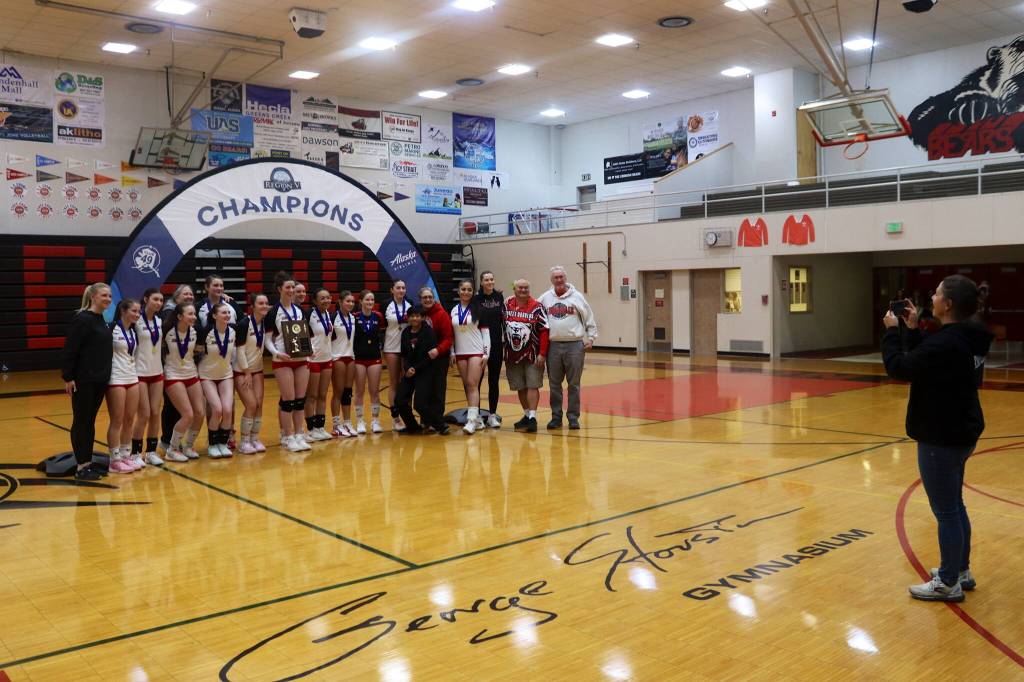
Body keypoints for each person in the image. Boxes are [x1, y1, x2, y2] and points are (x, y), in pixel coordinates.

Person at [882, 274, 994, 602]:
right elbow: (926, 365)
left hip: (940, 435)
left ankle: (948, 581)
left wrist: (892, 333)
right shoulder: (965, 338)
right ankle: (960, 570)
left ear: (947, 305)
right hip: (961, 429)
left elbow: (900, 368)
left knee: (946, 510)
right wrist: (914, 328)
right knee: (954, 506)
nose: (931, 296)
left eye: (936, 293)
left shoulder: (947, 343)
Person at [62, 283, 113, 480]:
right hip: (84, 379)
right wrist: (68, 377)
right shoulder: (82, 319)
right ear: (93, 297)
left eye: (109, 296)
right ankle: (81, 466)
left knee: (90, 421)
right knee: (81, 421)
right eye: (104, 295)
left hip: (100, 378)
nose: (108, 299)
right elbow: (70, 349)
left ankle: (88, 462)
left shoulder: (102, 319)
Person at [538, 265, 598, 430]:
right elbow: (535, 316)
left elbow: (589, 317)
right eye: (555, 277)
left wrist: (591, 337)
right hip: (553, 346)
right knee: (554, 384)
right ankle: (556, 417)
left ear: (565, 278)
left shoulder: (577, 297)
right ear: (551, 280)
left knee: (574, 384)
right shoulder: (545, 298)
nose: (559, 280)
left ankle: (573, 418)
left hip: (575, 345)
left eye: (561, 277)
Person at [266, 272, 312, 453]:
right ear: (280, 290)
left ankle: (299, 434)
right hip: (282, 360)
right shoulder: (273, 312)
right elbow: (268, 340)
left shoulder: (299, 311)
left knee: (300, 400)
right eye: (288, 287)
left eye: (293, 287)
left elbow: (303, 334)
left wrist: (310, 350)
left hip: (301, 359)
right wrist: (277, 353)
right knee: (288, 400)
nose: (292, 290)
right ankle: (287, 436)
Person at [503, 279, 549, 433]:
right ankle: (527, 415)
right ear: (514, 289)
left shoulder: (537, 307)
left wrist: (542, 353)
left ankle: (533, 417)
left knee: (532, 384)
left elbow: (544, 331)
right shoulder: (506, 305)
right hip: (512, 354)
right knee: (520, 386)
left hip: (533, 355)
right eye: (520, 288)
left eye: (526, 288)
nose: (523, 290)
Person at [162, 302, 205, 462]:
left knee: (200, 413)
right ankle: (172, 450)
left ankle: (188, 446)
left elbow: (198, 352)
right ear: (180, 316)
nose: (194, 317)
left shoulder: (195, 332)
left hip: (191, 373)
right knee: (187, 415)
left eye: (194, 314)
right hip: (173, 375)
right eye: (190, 314)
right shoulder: (166, 331)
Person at [107, 298, 143, 473]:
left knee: (130, 418)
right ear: (123, 310)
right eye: (134, 311)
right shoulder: (111, 328)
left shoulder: (133, 331)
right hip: (116, 378)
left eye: (139, 311)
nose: (137, 314)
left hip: (132, 377)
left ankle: (125, 455)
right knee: (117, 420)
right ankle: (114, 460)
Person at [159, 284, 195, 453]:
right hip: (171, 371)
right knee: (172, 408)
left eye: (191, 294)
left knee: (190, 411)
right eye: (185, 294)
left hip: (189, 370)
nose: (189, 296)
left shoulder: (193, 327)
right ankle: (168, 443)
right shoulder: (167, 321)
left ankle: (183, 444)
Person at [198, 302, 237, 458]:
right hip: (207, 376)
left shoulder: (233, 331)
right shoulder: (205, 332)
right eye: (223, 312)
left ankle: (222, 443)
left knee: (227, 410)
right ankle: (212, 444)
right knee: (217, 409)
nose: (227, 315)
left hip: (226, 374)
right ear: (214, 315)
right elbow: (196, 354)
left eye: (228, 312)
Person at [451, 279, 489, 434]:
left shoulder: (478, 309)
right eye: (463, 289)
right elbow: (452, 334)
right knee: (467, 385)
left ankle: (472, 420)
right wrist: (452, 351)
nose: (466, 292)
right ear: (459, 291)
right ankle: (478, 419)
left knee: (473, 384)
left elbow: (486, 333)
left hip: (476, 351)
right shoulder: (453, 310)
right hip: (460, 352)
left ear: (473, 292)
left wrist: (486, 353)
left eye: (469, 290)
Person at [133, 288, 165, 466]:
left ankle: (151, 451)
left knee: (155, 413)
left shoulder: (160, 321)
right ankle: (135, 453)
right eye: (155, 299)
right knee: (143, 414)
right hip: (140, 373)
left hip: (157, 372)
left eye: (161, 300)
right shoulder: (136, 321)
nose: (159, 303)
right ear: (146, 299)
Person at [234, 293, 269, 454]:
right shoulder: (244, 323)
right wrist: (246, 371)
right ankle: (244, 442)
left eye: (266, 303)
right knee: (251, 404)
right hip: (242, 370)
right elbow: (239, 351)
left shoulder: (264, 323)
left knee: (260, 404)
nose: (264, 306)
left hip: (258, 369)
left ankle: (255, 439)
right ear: (253, 306)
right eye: (260, 303)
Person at [394, 305, 437, 434]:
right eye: (412, 316)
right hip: (409, 372)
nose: (415, 318)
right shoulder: (405, 333)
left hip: (424, 371)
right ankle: (413, 427)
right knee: (400, 400)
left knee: (419, 404)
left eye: (418, 316)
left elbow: (430, 356)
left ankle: (438, 423)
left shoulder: (428, 332)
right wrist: (407, 369)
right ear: (408, 318)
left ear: (422, 317)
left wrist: (415, 368)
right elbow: (404, 354)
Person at [419, 286, 453, 434]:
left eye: (430, 297)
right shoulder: (418, 314)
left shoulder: (442, 314)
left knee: (438, 390)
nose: (428, 300)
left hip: (439, 358)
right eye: (425, 297)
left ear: (434, 299)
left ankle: (437, 420)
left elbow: (448, 338)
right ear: (420, 300)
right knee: (424, 390)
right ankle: (425, 420)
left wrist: (438, 350)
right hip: (423, 360)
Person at [352, 290, 386, 434]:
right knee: (359, 391)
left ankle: (375, 421)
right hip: (359, 358)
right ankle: (360, 421)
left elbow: (384, 334)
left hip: (374, 358)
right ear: (360, 301)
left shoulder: (378, 316)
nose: (370, 302)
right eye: (367, 300)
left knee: (374, 391)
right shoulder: (354, 317)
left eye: (372, 300)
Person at [475, 271, 505, 428]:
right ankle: (477, 415)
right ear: (481, 282)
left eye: (492, 279)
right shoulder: (476, 299)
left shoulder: (499, 297)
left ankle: (492, 415)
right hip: (478, 345)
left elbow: (504, 320)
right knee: (477, 382)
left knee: (494, 381)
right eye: (486, 279)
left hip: (496, 345)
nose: (489, 282)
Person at [305, 288, 335, 441]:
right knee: (312, 395)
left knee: (323, 395)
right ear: (315, 301)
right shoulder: (309, 314)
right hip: (314, 361)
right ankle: (310, 429)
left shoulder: (329, 314)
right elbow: (302, 334)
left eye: (328, 298)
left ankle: (320, 427)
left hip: (327, 359)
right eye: (322, 298)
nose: (326, 301)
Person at [383, 280, 410, 431]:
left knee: (407, 381)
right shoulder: (386, 304)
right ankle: (396, 418)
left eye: (403, 287)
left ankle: (408, 415)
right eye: (398, 288)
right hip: (391, 347)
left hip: (407, 349)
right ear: (392, 290)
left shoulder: (410, 303)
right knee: (394, 381)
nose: (401, 290)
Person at [330, 291, 358, 437]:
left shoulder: (353, 318)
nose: (351, 304)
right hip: (337, 357)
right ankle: (336, 425)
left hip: (350, 357)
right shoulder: (332, 318)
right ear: (340, 302)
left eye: (352, 302)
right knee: (338, 391)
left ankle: (347, 422)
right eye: (348, 301)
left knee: (348, 392)